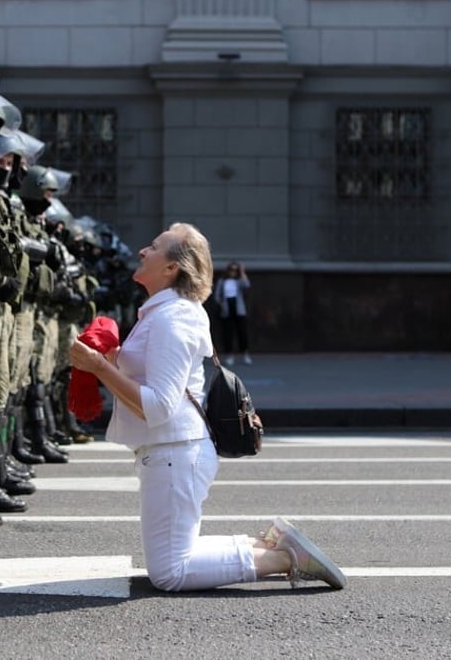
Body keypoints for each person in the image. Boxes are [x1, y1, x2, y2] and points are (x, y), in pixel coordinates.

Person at [68, 223, 345, 593]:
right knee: (175, 557)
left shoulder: (173, 318)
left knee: (171, 573)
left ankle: (286, 558)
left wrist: (99, 367)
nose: (142, 252)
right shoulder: (162, 313)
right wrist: (113, 358)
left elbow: (159, 407)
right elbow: (156, 381)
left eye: (154, 247)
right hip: (171, 452)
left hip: (175, 452)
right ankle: (266, 545)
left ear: (172, 269)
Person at [213, 261, 251, 366]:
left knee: (242, 333)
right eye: (231, 270)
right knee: (228, 334)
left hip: (238, 308)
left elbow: (247, 284)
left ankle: (245, 354)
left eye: (235, 270)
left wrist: (242, 271)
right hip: (227, 308)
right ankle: (230, 356)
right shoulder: (222, 281)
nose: (233, 272)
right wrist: (222, 304)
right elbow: (217, 296)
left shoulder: (238, 281)